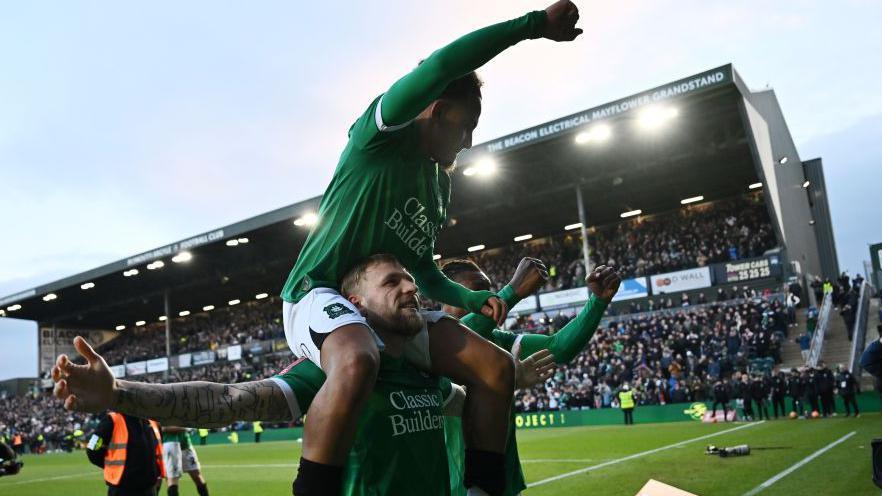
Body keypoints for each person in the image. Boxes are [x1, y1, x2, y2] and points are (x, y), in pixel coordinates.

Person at [276, 3, 583, 494]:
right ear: (438, 112)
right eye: (465, 129)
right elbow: (441, 67)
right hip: (321, 291)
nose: (466, 143)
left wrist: (467, 300)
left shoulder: (437, 187)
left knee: (496, 368)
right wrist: (534, 26)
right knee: (356, 359)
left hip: (388, 308)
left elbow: (422, 269)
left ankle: (483, 489)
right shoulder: (379, 139)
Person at [53, 254, 482, 496]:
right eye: (392, 282)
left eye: (410, 279)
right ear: (355, 303)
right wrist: (118, 392)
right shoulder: (331, 372)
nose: (410, 288)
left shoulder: (424, 371)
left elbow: (475, 398)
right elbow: (231, 399)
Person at [438, 258, 619, 496]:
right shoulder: (432, 344)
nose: (485, 297)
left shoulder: (500, 341)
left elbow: (559, 348)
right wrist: (511, 292)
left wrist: (598, 302)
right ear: (446, 297)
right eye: (476, 290)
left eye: (487, 290)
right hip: (458, 488)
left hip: (505, 484)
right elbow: (458, 336)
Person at [85, 411, 165, 496]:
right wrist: (113, 468)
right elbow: (92, 449)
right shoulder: (112, 420)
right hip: (123, 488)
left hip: (149, 488)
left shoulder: (152, 422)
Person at [161, 427, 209, 496]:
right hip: (170, 443)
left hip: (185, 443)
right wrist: (186, 427)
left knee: (197, 475)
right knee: (172, 478)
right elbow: (163, 428)